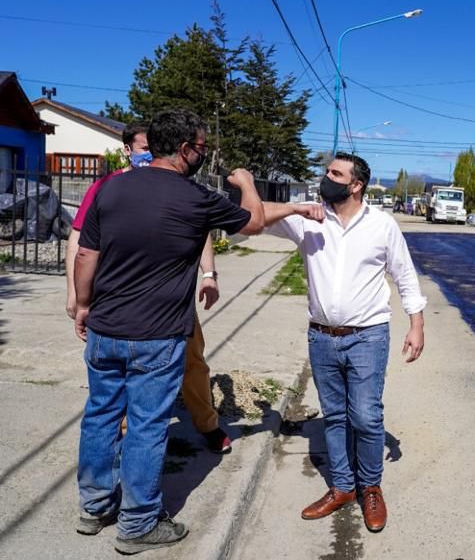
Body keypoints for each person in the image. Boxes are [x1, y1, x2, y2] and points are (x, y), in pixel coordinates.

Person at [74, 110, 264, 555]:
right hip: (157, 336)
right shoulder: (196, 197)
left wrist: (82, 305)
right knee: (146, 426)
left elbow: (86, 255)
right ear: (183, 149)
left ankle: (94, 507)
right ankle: (138, 524)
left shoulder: (109, 188)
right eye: (201, 148)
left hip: (105, 328)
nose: (203, 155)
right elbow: (253, 221)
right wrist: (247, 183)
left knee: (100, 415)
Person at [260, 152, 426, 533]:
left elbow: (404, 275)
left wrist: (416, 324)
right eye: (327, 172)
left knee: (365, 416)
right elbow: (257, 217)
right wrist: (292, 207)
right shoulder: (309, 220)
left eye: (335, 173)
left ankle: (370, 487)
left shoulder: (382, 226)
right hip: (321, 337)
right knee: (334, 416)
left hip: (367, 336)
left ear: (356, 185)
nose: (326, 178)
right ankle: (342, 487)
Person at [66, 123, 232, 455]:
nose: (150, 154)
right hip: (116, 298)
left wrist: (209, 274)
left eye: (153, 147)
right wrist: (75, 293)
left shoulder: (177, 187)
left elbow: (200, 233)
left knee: (193, 363)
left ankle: (207, 424)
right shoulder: (107, 187)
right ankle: (125, 436)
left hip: (173, 302)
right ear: (127, 150)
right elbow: (79, 242)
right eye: (144, 148)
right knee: (119, 378)